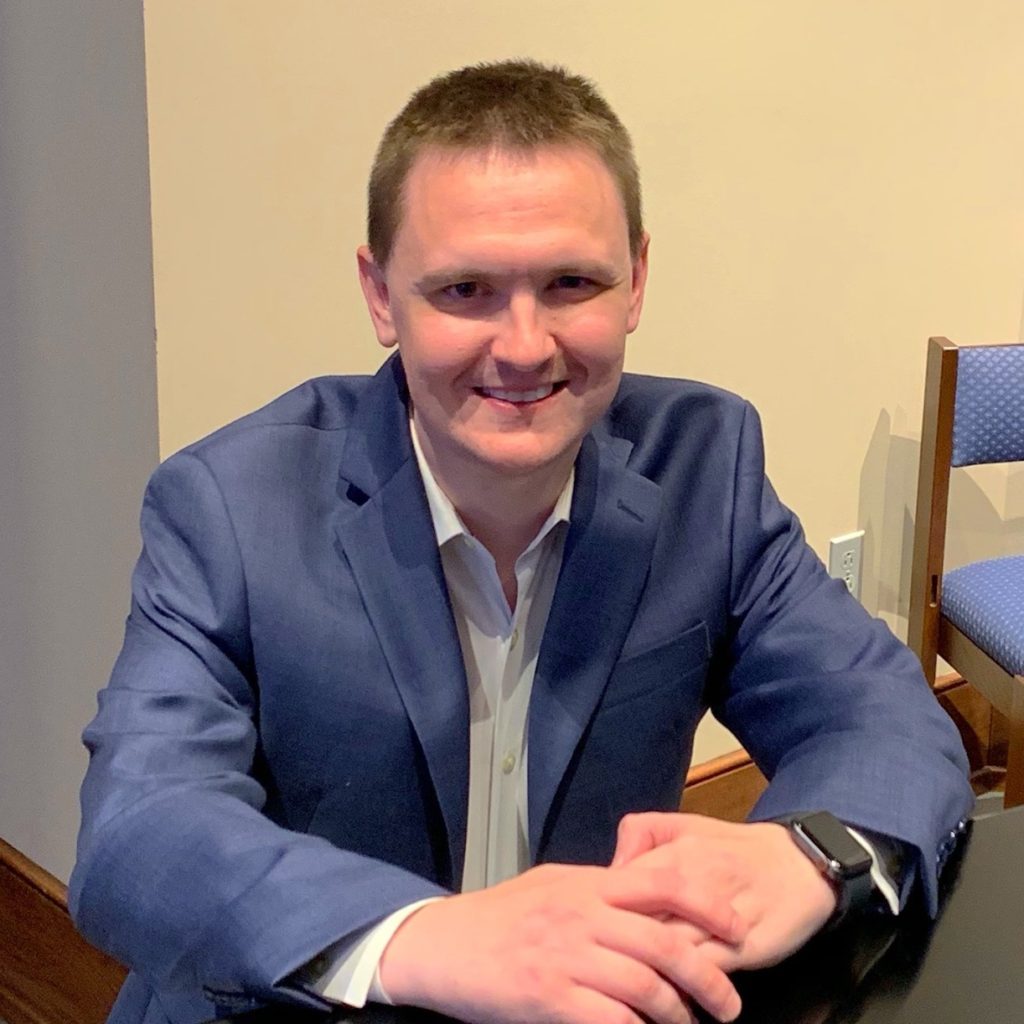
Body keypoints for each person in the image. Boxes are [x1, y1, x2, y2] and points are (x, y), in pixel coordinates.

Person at [70, 60, 973, 1024]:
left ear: (636, 281)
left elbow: (886, 721)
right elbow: (140, 829)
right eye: (465, 289)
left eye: (571, 282)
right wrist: (425, 937)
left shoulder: (706, 471)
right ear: (380, 296)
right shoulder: (231, 506)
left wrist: (808, 857)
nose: (525, 346)